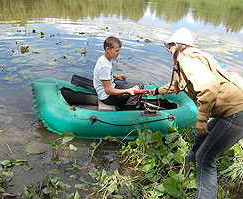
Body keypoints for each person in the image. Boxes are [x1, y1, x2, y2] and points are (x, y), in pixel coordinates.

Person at [151, 27, 243, 199]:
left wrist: (202, 118)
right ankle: (184, 174)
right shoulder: (194, 57)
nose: (169, 51)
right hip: (233, 109)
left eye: (169, 47)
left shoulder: (185, 57)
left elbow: (209, 85)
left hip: (236, 111)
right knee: (199, 139)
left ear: (177, 45)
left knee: (206, 158)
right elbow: (176, 85)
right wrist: (156, 91)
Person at [93, 36, 143, 109]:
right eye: (116, 51)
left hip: (108, 89)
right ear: (107, 49)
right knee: (139, 86)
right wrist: (127, 91)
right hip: (107, 97)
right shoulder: (105, 66)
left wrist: (116, 77)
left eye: (119, 51)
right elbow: (108, 91)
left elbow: (103, 76)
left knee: (130, 84)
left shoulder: (103, 59)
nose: (118, 53)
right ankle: (129, 110)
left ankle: (123, 103)